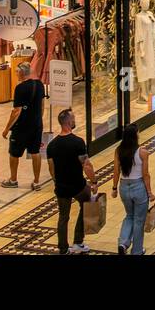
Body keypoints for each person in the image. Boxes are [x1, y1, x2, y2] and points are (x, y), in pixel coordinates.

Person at [46, 108, 98, 254]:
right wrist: (93, 182)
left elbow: (51, 168)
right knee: (86, 204)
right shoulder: (78, 142)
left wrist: (57, 181)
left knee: (63, 217)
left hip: (61, 188)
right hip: (78, 186)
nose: (75, 120)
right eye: (73, 118)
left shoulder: (52, 146)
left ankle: (63, 248)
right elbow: (86, 165)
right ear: (69, 122)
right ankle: (78, 242)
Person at [0, 61, 46, 189]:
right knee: (35, 152)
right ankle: (36, 182)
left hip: (21, 127)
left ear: (21, 73)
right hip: (36, 125)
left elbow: (16, 111)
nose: (15, 74)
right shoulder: (39, 85)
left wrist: (6, 129)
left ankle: (13, 180)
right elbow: (42, 106)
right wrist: (37, 120)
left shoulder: (20, 88)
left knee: (14, 153)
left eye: (16, 72)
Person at [110, 123, 154, 255]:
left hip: (124, 186)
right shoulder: (143, 153)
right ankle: (137, 250)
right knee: (139, 220)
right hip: (139, 187)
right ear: (135, 135)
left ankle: (123, 243)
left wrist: (114, 188)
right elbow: (146, 174)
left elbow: (116, 171)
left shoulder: (118, 151)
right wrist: (150, 193)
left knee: (129, 216)